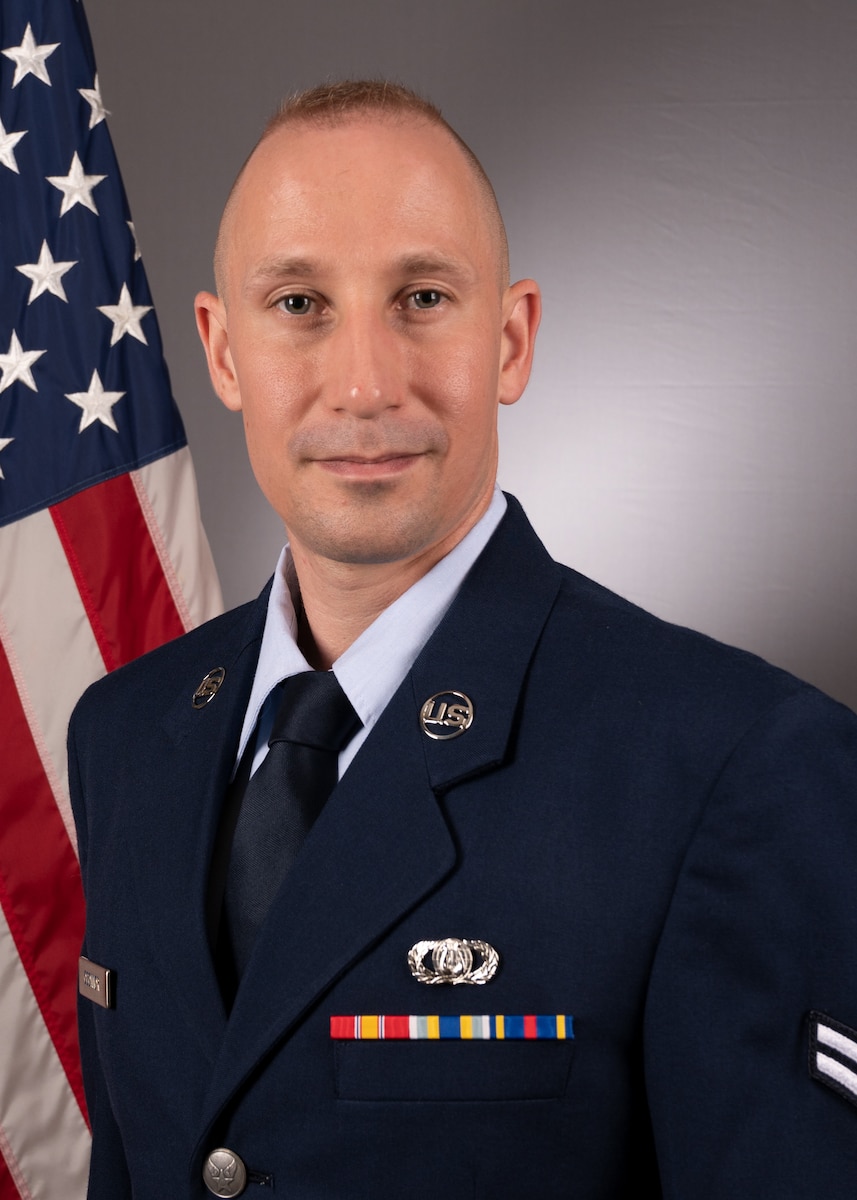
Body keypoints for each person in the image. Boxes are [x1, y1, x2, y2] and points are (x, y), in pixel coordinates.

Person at [69, 80, 857, 1199]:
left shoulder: (735, 767)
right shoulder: (125, 735)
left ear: (511, 338)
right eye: (298, 304)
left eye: (422, 296)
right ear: (222, 351)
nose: (362, 384)